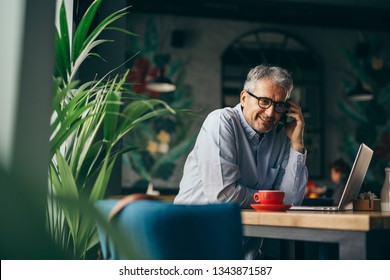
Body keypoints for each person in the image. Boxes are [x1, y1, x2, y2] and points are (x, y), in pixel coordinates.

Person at [174, 64, 308, 258]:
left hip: (244, 254)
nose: (271, 113)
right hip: (195, 246)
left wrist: (297, 144)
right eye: (264, 101)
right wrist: (269, 199)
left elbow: (291, 201)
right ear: (244, 98)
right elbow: (223, 195)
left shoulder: (281, 136)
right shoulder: (221, 122)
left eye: (279, 105)